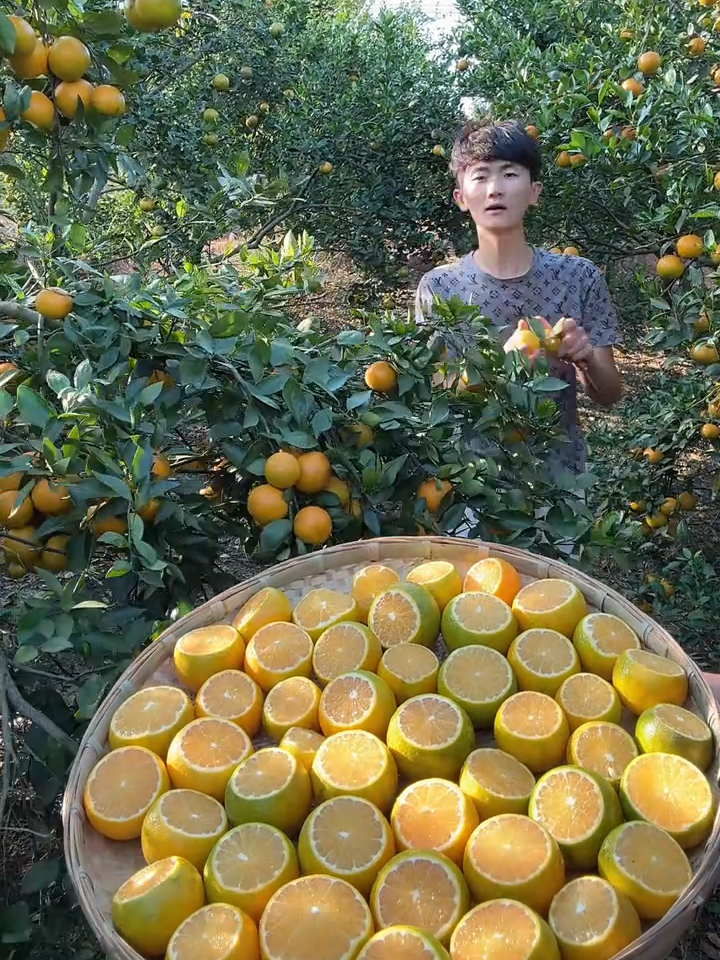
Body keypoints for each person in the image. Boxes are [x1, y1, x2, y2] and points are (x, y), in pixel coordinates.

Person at [415, 118, 623, 478]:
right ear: (461, 198)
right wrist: (500, 367)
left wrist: (586, 357)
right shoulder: (440, 288)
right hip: (472, 482)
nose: (495, 189)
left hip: (558, 486)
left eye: (510, 174)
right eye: (480, 176)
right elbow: (432, 395)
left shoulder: (578, 276)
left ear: (534, 192)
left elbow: (609, 395)